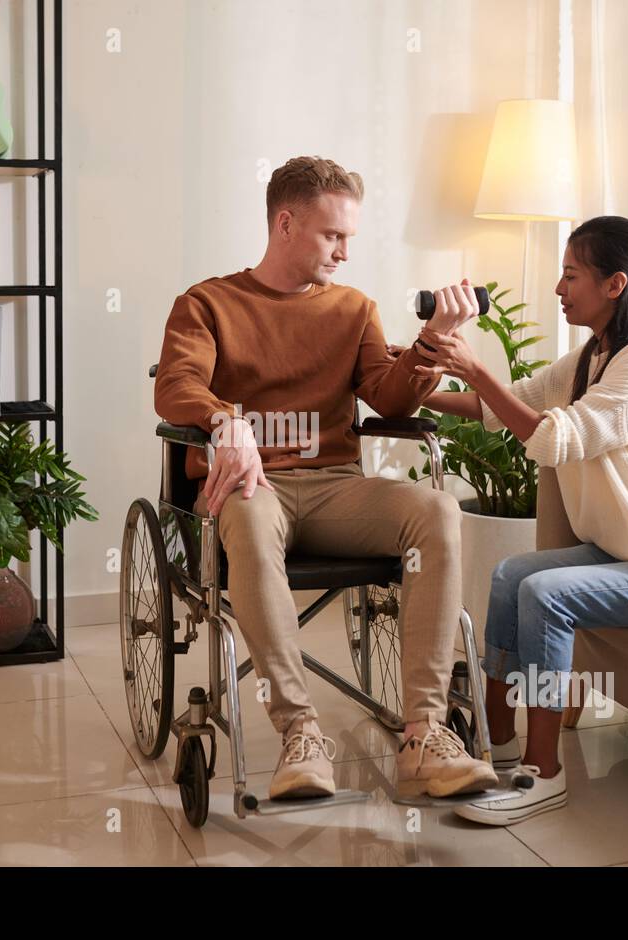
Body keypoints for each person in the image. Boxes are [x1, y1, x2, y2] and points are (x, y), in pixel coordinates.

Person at [154, 156, 497, 801]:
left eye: (350, 239)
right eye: (332, 236)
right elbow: (177, 387)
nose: (344, 253)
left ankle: (424, 733)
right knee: (251, 513)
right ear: (285, 223)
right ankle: (301, 733)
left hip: (336, 487)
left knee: (437, 510)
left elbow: (391, 402)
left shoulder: (353, 309)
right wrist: (226, 422)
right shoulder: (207, 303)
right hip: (253, 489)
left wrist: (431, 340)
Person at [407, 215, 628, 825]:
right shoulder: (593, 356)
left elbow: (552, 439)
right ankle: (497, 746)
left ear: (615, 284)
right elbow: (501, 406)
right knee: (512, 574)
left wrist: (474, 365)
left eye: (571, 275)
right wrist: (416, 387)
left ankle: (544, 774)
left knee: (545, 594)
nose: (559, 289)